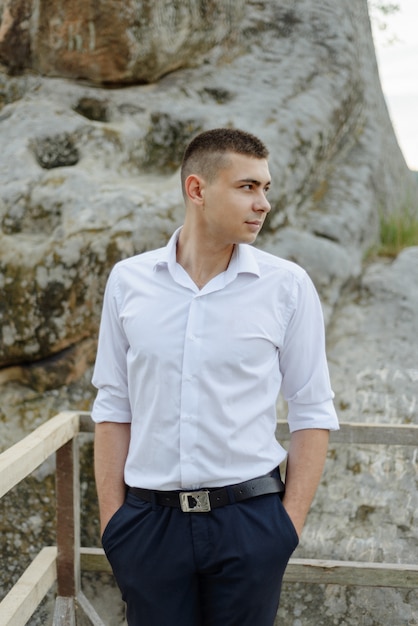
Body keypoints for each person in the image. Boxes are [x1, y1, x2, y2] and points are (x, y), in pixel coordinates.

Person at [91, 127, 339, 626]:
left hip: (249, 523)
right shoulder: (128, 281)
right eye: (248, 187)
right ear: (198, 190)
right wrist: (114, 525)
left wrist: (284, 529)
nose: (263, 203)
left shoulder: (286, 286)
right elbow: (114, 405)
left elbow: (312, 410)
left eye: (266, 188)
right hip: (148, 527)